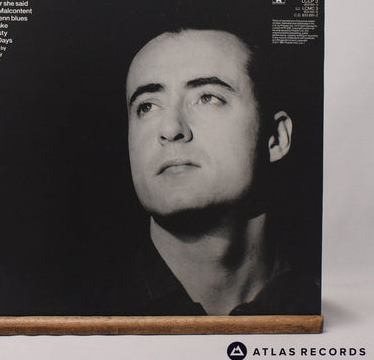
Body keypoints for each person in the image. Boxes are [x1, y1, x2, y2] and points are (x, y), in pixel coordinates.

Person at [97, 26, 320, 316]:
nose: (171, 128)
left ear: (276, 138)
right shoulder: (76, 309)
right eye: (147, 106)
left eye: (207, 98)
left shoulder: (329, 298)